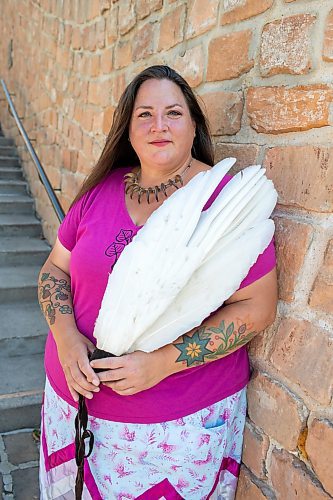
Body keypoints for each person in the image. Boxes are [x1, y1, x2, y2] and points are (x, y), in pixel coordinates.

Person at [38, 65, 278, 500]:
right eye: (144, 114)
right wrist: (67, 337)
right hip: (70, 409)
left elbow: (258, 308)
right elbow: (54, 269)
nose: (159, 126)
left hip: (175, 432)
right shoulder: (99, 192)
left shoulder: (223, 205)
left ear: (194, 125)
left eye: (173, 113)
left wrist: (163, 362)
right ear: (127, 129)